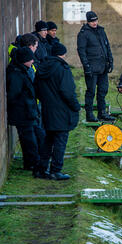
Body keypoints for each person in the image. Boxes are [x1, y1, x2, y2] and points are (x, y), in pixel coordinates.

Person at [34, 42, 80, 180]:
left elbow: (36, 89)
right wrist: (76, 106)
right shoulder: (62, 68)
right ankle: (56, 170)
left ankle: (41, 169)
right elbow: (67, 92)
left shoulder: (41, 68)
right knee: (60, 140)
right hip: (61, 111)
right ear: (63, 54)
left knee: (48, 140)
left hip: (47, 109)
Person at [6, 47, 41, 172]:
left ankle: (32, 163)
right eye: (30, 59)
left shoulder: (21, 70)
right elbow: (13, 94)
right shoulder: (16, 73)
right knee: (29, 140)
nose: (32, 61)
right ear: (23, 60)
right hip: (22, 112)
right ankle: (32, 164)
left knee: (30, 138)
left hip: (27, 110)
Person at [77, 11, 115, 122]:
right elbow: (81, 51)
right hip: (91, 68)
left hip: (103, 67)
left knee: (103, 90)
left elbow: (107, 47)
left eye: (95, 20)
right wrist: (86, 66)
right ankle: (89, 114)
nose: (94, 23)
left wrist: (110, 61)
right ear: (88, 21)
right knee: (91, 91)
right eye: (92, 21)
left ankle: (102, 113)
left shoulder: (101, 31)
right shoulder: (83, 33)